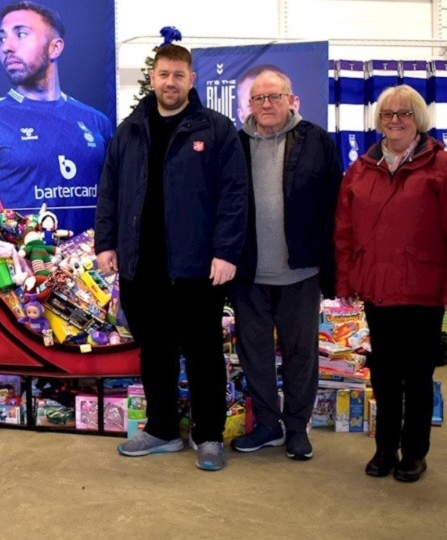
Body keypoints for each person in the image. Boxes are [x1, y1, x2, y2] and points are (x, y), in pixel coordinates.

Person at [94, 44, 248, 471]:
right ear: (153, 78)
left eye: (179, 75)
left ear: (191, 80)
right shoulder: (130, 130)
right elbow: (109, 190)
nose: (170, 83)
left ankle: (209, 436)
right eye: (163, 74)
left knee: (203, 353)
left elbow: (235, 196)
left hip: (197, 269)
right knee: (155, 352)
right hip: (141, 266)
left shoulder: (216, 130)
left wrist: (226, 251)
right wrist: (106, 243)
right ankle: (162, 429)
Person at [335, 84, 447, 483]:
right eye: (387, 114)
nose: (395, 120)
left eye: (404, 114)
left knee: (417, 378)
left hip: (423, 291)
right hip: (378, 290)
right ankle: (385, 448)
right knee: (383, 375)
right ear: (378, 120)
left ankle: (414, 453)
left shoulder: (440, 166)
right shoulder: (361, 169)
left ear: (419, 119)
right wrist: (346, 279)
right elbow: (344, 230)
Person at [229, 70, 342, 460]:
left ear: (290, 99)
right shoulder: (235, 144)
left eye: (274, 97)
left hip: (301, 271)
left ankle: (297, 428)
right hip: (249, 273)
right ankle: (267, 426)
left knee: (301, 355)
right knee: (254, 354)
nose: (266, 105)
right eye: (258, 99)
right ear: (249, 105)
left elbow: (335, 205)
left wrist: (333, 264)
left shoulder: (316, 141)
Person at [0, 0, 112, 236]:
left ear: (55, 47)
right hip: (22, 269)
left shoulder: (96, 122)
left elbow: (115, 200)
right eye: (2, 38)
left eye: (21, 34)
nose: (6, 47)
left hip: (90, 269)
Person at [236, 64, 300, 126]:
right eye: (254, 104)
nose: (266, 106)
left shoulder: (309, 135)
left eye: (275, 98)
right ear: (241, 116)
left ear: (293, 104)